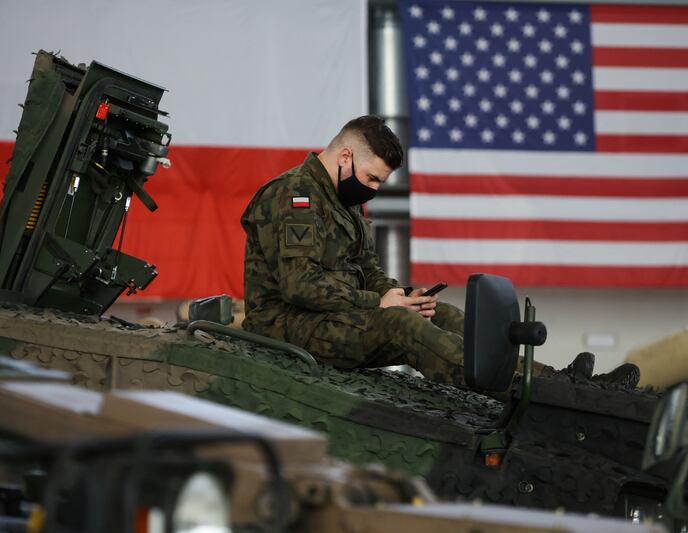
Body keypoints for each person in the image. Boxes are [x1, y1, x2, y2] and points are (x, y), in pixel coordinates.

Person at [241, 115, 638, 391]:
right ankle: (534, 392)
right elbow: (299, 285)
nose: (374, 190)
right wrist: (379, 303)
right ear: (345, 156)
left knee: (441, 313)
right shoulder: (293, 195)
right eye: (372, 178)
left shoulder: (344, 199)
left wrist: (402, 295)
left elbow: (368, 268)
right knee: (401, 325)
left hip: (333, 316)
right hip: (287, 325)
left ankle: (557, 380)